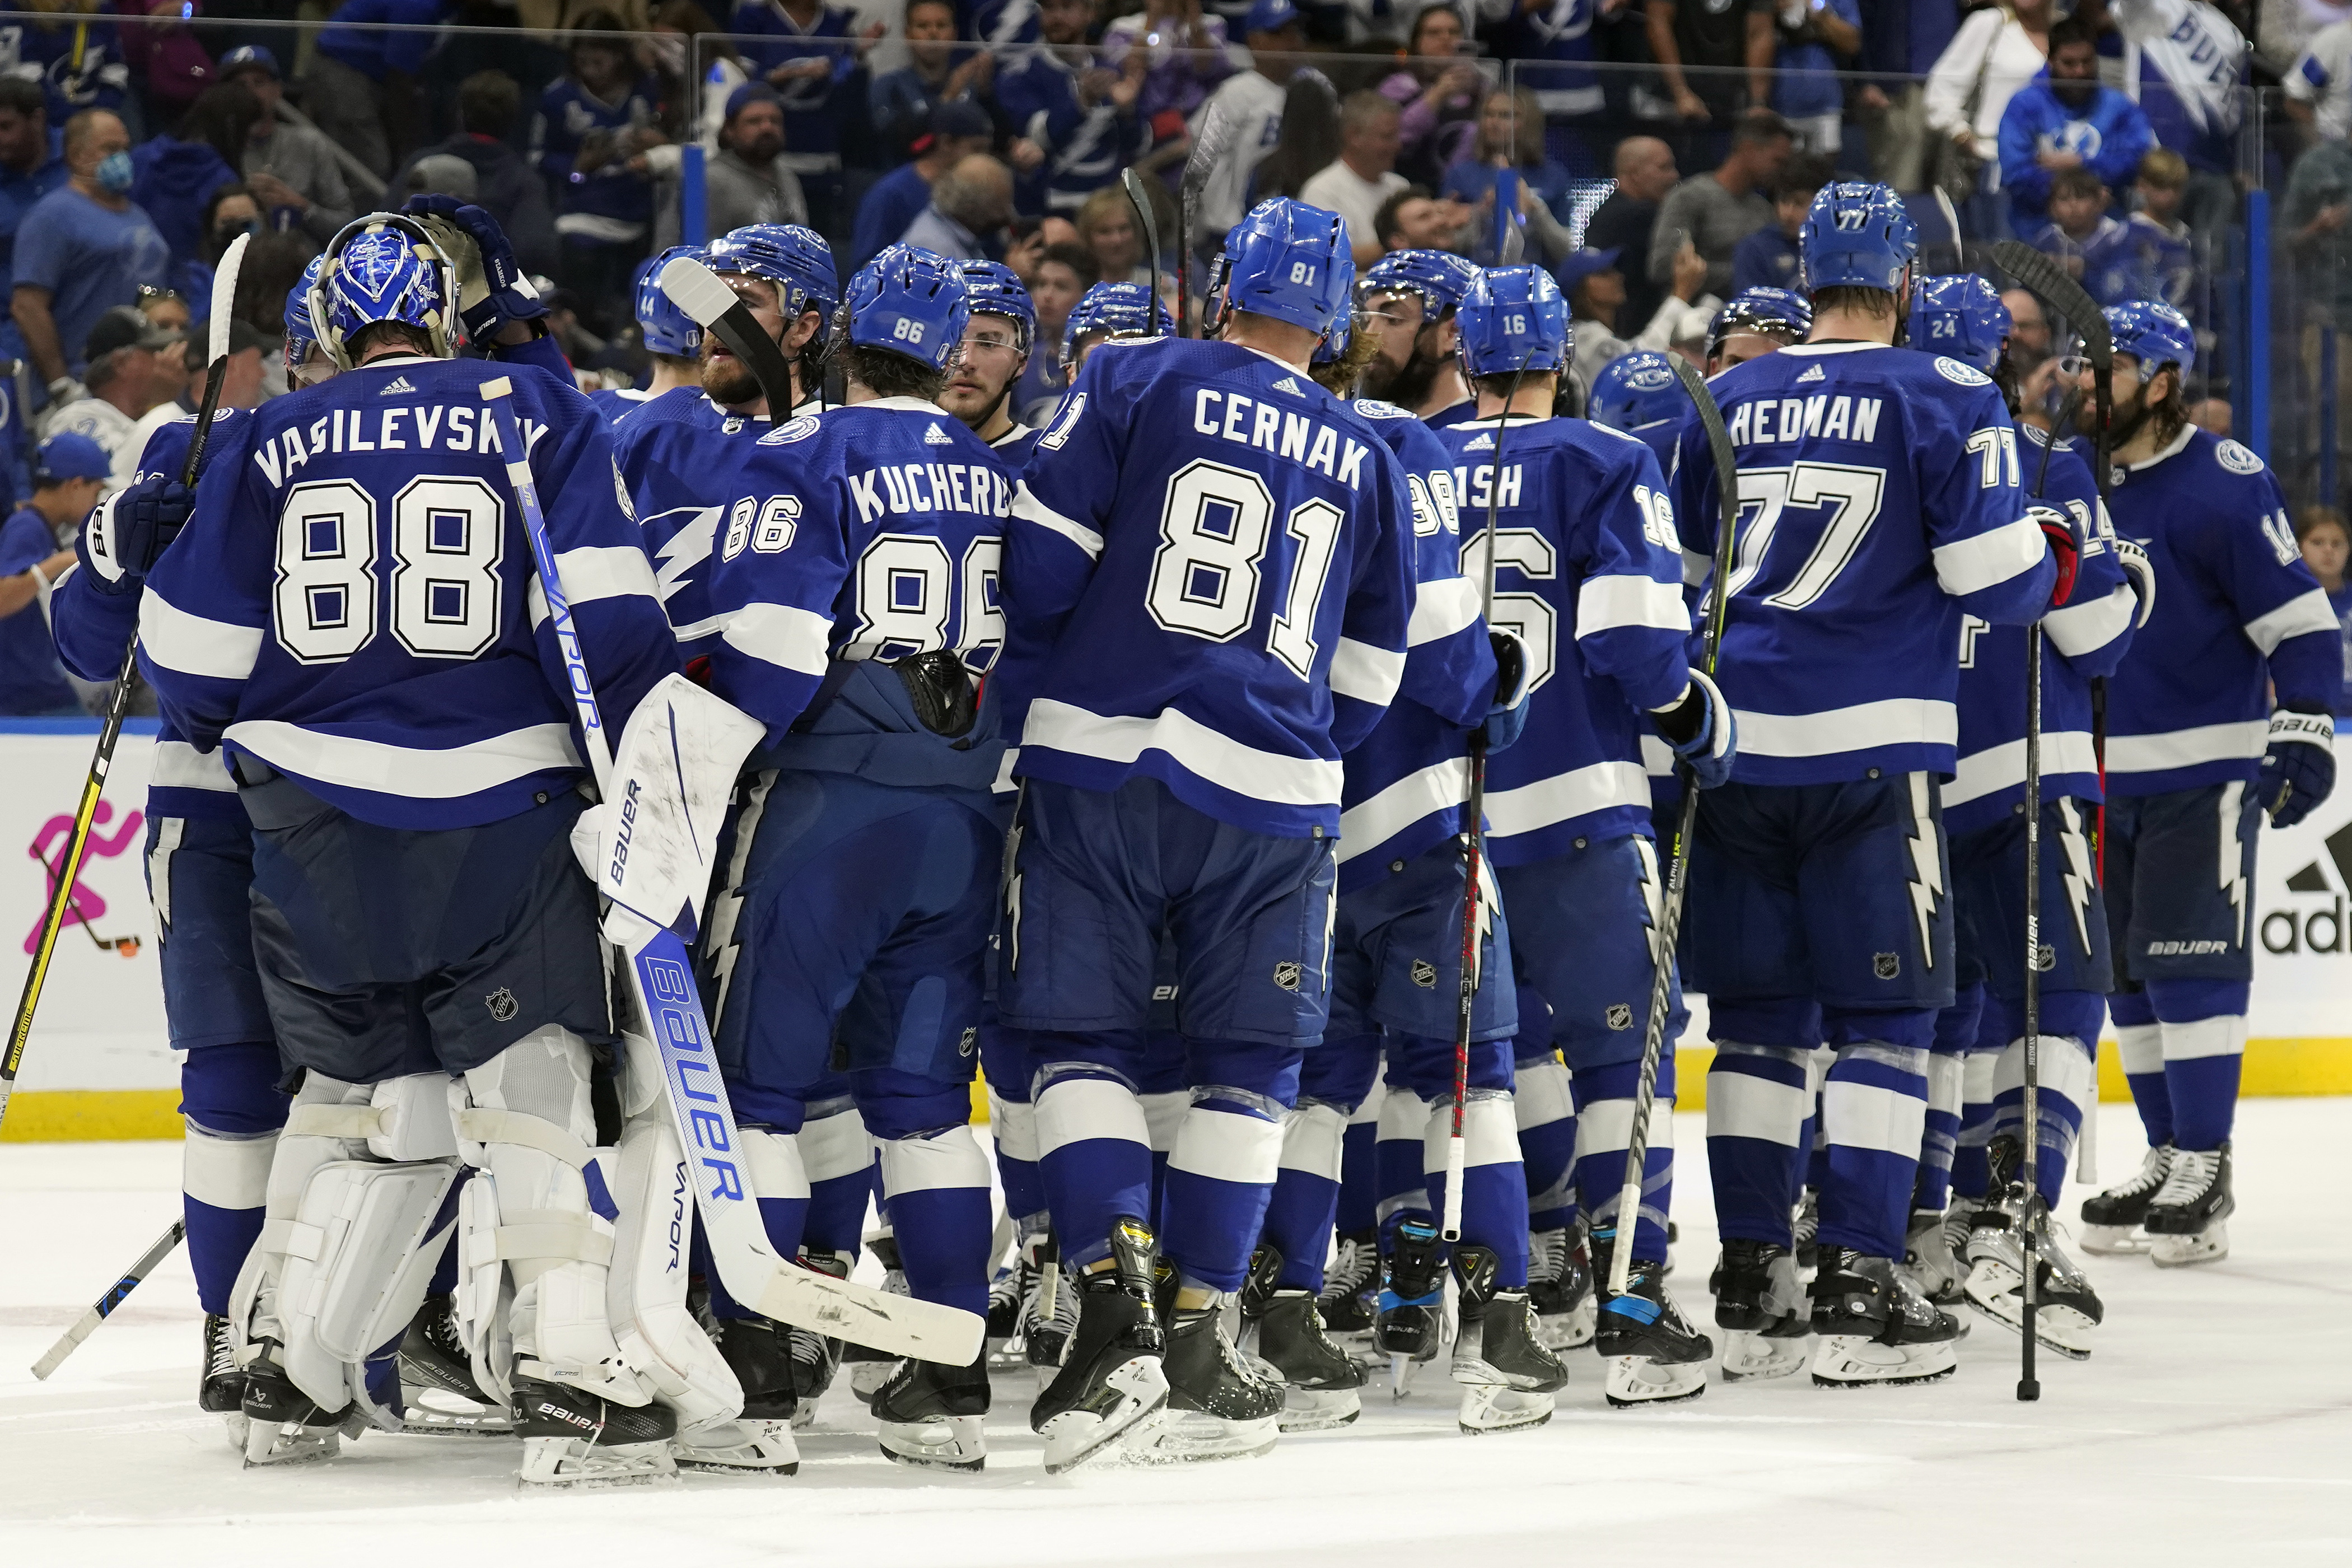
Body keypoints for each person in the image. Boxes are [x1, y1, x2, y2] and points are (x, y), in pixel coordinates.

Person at [130, 203, 699, 1482]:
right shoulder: (530, 409)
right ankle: (563, 1363)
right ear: (447, 319)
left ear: (329, 329)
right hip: (500, 805)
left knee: (345, 1090)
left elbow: (190, 664)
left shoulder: (274, 432)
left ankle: (286, 1356)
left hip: (308, 820)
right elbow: (606, 630)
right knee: (532, 1079)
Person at [996, 197, 1416, 1471]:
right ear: (1336, 317)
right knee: (1250, 1070)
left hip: (1099, 766)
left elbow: (1040, 569)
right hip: (1275, 789)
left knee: (1083, 1044)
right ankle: (1195, 1336)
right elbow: (1372, 681)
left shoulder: (1132, 373)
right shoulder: (1367, 453)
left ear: (1225, 286)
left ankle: (1109, 1305)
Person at [1669, 182, 2074, 1388]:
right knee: (1888, 1025)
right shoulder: (1949, 393)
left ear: (1805, 283)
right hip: (1873, 754)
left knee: (1753, 1027)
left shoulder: (1727, 393)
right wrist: (2057, 549)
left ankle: (1748, 1278)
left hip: (1736, 746)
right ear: (1904, 281)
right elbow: (1996, 580)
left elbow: (1686, 571)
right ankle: (1855, 1278)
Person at [689, 244, 1007, 1471]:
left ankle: (762, 1378)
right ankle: (950, 1373)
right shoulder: (988, 472)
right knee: (923, 1102)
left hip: (834, 802)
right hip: (963, 809)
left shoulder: (805, 451)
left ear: (841, 336)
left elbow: (764, 647)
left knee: (763, 1089)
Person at [1433, 264, 1734, 1407]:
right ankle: (1630, 1291)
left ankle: (1486, 1280)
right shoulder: (1609, 459)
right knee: (1619, 1057)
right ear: (1562, 359)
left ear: (1464, 362)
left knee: (1484, 1063)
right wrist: (1699, 715)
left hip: (1449, 818)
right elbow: (1635, 640)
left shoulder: (1417, 463)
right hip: (1579, 807)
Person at [1897, 274, 2142, 1359]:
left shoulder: (1886, 443)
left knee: (1930, 1013)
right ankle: (2012, 1216)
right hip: (2017, 772)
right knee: (2061, 988)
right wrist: (2120, 577)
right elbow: (2096, 640)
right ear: (2003, 357)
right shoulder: (2044, 462)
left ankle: (1908, 1226)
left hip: (1895, 772)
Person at [2083, 301, 2341, 1268]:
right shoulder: (2075, 480)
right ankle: (2164, 1153)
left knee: (2190, 962)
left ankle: (2206, 1160)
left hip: (2203, 768)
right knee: (2128, 977)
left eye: (2107, 371)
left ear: (2159, 381)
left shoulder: (2225, 486)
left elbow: (2303, 625)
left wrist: (2306, 723)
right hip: (2099, 779)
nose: (2087, 386)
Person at [11, 108, 168, 404]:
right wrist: (60, 383)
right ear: (77, 155)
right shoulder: (52, 216)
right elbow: (28, 306)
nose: (123, 158)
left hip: (142, 378)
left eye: (125, 148)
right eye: (110, 149)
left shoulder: (138, 214)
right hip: (87, 381)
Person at [533, 17, 666, 318]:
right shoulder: (558, 97)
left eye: (599, 57)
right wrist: (577, 167)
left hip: (637, 217)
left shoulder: (646, 90)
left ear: (619, 56)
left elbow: (679, 141)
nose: (589, 66)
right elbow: (537, 156)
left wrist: (658, 144)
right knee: (587, 309)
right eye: (582, 57)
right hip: (581, 218)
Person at [727, 0, 888, 240]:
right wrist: (791, 75)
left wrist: (855, 54)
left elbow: (843, 85)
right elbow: (741, 81)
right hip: (769, 161)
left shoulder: (838, 22)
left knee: (820, 241)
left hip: (823, 159)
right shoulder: (754, 19)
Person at [393, 71, 560, 281]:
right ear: (514, 120)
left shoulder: (421, 163)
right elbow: (535, 250)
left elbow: (383, 222)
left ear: (460, 113)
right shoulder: (524, 180)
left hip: (411, 285)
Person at [1995, 18, 2155, 228]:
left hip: (2109, 232)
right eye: (2069, 63)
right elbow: (2016, 174)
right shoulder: (2025, 105)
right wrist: (2079, 196)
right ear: (2050, 61)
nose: (2080, 72)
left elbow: (2138, 160)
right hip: (2036, 229)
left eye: (2087, 61)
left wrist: (2081, 163)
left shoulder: (2119, 107)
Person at [997, 0, 1150, 220]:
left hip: (1108, 206)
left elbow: (1137, 146)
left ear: (1090, 13)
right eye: (1049, 8)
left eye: (1067, 7)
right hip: (1050, 211)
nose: (1057, 17)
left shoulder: (1109, 72)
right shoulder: (1020, 75)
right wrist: (1082, 103)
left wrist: (1128, 112)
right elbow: (1034, 139)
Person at [1924, 0, 2052, 236]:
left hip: (2056, 170)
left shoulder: (2066, 28)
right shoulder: (1991, 23)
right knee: (2002, 259)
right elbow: (1941, 90)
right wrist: (1963, 136)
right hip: (1997, 166)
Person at [1188, 0, 1305, 248]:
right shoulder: (1236, 92)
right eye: (1278, 34)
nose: (1290, 42)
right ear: (1254, 41)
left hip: (1288, 230)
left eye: (1294, 32)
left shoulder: (1308, 89)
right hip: (1231, 230)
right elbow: (1198, 152)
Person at [217, 46, 353, 249]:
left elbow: (347, 224)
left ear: (277, 90)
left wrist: (303, 208)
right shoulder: (213, 149)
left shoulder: (308, 143)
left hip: (304, 267)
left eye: (259, 83)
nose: (251, 93)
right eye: (240, 85)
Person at [1650, 115, 1791, 307]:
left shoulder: (1764, 209)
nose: (1781, 171)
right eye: (1778, 161)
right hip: (1694, 319)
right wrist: (1746, 271)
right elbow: (1663, 266)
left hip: (1752, 319)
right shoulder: (1689, 197)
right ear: (1748, 149)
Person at [0, 430, 95, 714]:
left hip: (37, 687)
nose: (97, 501)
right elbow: (3, 599)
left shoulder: (37, 526)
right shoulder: (26, 528)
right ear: (76, 485)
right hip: (25, 694)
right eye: (96, 491)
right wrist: (58, 564)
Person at [305, 0, 455, 180]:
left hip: (373, 76)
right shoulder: (417, 5)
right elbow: (400, 78)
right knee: (370, 167)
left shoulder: (448, 8)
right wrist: (408, 147)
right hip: (342, 69)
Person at [852, 99, 994, 275]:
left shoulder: (973, 194)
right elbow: (866, 272)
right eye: (977, 148)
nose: (983, 159)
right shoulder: (890, 195)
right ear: (946, 143)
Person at [43, 304, 178, 489]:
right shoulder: (79, 420)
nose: (162, 359)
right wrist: (175, 404)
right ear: (122, 364)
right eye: (153, 352)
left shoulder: (139, 420)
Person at [1565, 243, 1713, 395]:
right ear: (1581, 290)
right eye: (1604, 274)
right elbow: (1636, 368)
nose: (1618, 277)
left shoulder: (1596, 332)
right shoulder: (1584, 337)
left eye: (1614, 271)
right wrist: (1681, 295)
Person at [1355, 246, 1481, 425]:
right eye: (1368, 320)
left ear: (1452, 333)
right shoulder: (1360, 427)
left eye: (1393, 319)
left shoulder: (1481, 434)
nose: (1369, 336)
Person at [869, 0, 996, 163]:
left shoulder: (972, 85)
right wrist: (949, 96)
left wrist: (986, 94)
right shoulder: (887, 85)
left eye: (941, 26)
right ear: (908, 35)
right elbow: (901, 144)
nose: (933, 33)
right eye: (923, 26)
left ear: (954, 34)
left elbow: (998, 143)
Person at [1373, 5, 1485, 189]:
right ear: (1418, 41)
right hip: (1404, 186)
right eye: (1434, 33)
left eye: (1454, 32)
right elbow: (1394, 136)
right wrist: (1438, 94)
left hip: (1464, 190)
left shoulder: (1481, 87)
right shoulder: (1397, 85)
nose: (1446, 39)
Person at [1645, 0, 1776, 152]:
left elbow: (1760, 33)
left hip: (1729, 92)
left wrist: (1757, 102)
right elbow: (1659, 24)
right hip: (1667, 96)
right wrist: (1680, 92)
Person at [946, 258, 1042, 460]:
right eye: (952, 341)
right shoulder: (884, 456)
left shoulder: (1045, 466)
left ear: (1021, 361)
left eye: (988, 344)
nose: (966, 360)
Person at [1300, 92, 1408, 269]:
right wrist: (1410, 241)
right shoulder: (1322, 190)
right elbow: (1329, 257)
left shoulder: (1400, 187)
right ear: (1354, 136)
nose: (1397, 145)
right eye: (1387, 137)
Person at [1586, 137, 1679, 335]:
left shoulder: (1606, 211)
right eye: (1665, 168)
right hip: (1636, 333)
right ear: (1634, 173)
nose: (1674, 176)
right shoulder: (1640, 215)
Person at [0, 80, 64, 364]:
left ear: (37, 120)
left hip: (84, 315)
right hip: (10, 333)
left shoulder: (80, 154)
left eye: (5, 127)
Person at [703, 84, 810, 235]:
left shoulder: (788, 177)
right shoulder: (710, 180)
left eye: (774, 120)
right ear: (730, 130)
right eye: (754, 121)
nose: (767, 128)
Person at [1012, 239, 1093, 422]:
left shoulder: (1101, 367)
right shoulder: (1020, 363)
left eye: (1061, 286)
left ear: (1087, 297)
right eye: (1041, 284)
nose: (1047, 295)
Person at [1729, 153, 1828, 297]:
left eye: (1800, 203)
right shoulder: (1756, 249)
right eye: (1783, 201)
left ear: (1823, 204)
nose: (1788, 213)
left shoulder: (1839, 249)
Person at [1772, 0, 1862, 153]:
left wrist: (1820, 15)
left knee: (1822, 169)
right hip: (1778, 107)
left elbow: (1852, 43)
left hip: (1825, 106)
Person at [900, 153, 1014, 262]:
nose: (1008, 215)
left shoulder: (958, 233)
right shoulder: (932, 250)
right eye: (1000, 208)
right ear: (973, 208)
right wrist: (1009, 277)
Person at [2298, 507, 2352, 712]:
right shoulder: (2285, 605)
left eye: (2337, 543)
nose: (2329, 550)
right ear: (2298, 547)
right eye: (2318, 542)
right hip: (2307, 714)